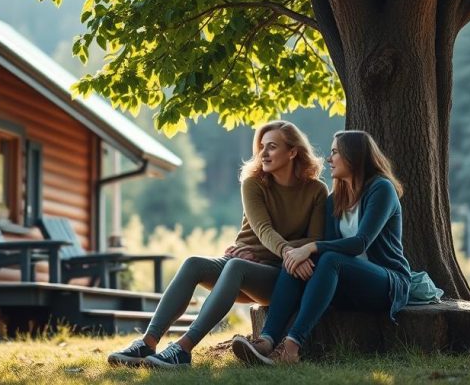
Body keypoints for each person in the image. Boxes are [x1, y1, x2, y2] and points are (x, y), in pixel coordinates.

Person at [107, 120, 327, 368]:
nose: (263, 153)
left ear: (293, 151)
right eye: (261, 147)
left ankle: (183, 349)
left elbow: (316, 240)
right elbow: (263, 229)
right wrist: (270, 250)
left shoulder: (316, 190)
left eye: (272, 147)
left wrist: (264, 252)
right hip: (241, 266)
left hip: (275, 275)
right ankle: (148, 342)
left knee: (235, 265)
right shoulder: (253, 183)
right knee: (193, 264)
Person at [231, 130, 411, 366]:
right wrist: (286, 255)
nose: (329, 159)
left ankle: (292, 347)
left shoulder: (381, 190)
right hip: (346, 285)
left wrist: (311, 247)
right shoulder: (334, 199)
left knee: (327, 259)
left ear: (353, 156)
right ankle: (266, 341)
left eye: (335, 152)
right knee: (296, 258)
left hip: (386, 283)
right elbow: (325, 247)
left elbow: (360, 243)